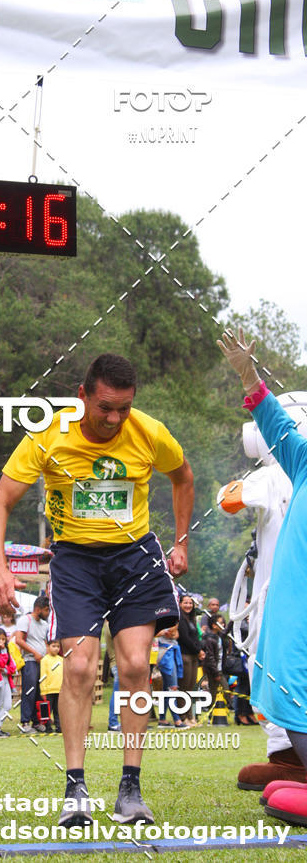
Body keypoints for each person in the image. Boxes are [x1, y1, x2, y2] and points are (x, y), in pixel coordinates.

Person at [0, 351, 194, 825]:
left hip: (134, 556)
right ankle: (75, 789)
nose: (115, 419)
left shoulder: (149, 432)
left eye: (123, 407)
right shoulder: (47, 437)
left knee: (137, 664)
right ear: (82, 396)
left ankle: (130, 790)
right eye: (105, 408)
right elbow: (0, 503)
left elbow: (183, 478)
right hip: (76, 559)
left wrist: (181, 542)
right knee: (78, 667)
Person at [219, 327, 307, 823]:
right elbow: (276, 427)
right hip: (290, 605)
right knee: (279, 680)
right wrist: (249, 376)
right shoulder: (304, 461)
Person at [15, 597, 50, 733]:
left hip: (42, 662)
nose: (47, 613)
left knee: (39, 693)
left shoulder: (44, 624)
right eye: (46, 610)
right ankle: (25, 722)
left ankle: (37, 722)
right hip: (29, 661)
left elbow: (45, 642)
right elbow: (19, 639)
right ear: (38, 609)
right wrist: (34, 653)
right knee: (29, 691)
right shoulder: (26, 620)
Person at [177, 594, 203, 725]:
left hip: (194, 656)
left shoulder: (192, 619)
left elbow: (196, 637)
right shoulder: (180, 618)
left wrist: (199, 650)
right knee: (184, 687)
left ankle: (190, 716)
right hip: (185, 655)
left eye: (190, 603)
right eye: (185, 603)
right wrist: (198, 650)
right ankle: (183, 717)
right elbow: (185, 638)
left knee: (191, 687)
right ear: (180, 604)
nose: (188, 605)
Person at [156, 625, 187, 728]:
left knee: (166, 689)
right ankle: (177, 720)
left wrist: (171, 632)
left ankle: (162, 719)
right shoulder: (161, 616)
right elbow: (160, 633)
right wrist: (167, 631)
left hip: (171, 651)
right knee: (172, 687)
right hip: (165, 653)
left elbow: (175, 634)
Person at [40, 640, 63, 733]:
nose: (56, 648)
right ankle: (47, 727)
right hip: (48, 690)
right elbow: (43, 675)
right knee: (47, 710)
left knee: (58, 710)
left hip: (59, 690)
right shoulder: (45, 660)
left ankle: (59, 726)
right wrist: (43, 691)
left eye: (58, 646)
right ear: (48, 647)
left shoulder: (61, 660)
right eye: (53, 646)